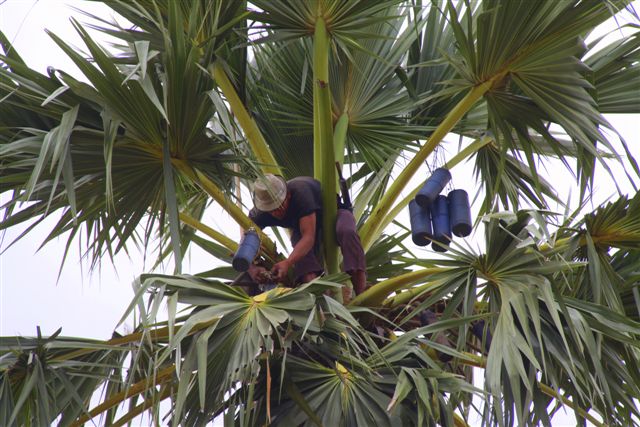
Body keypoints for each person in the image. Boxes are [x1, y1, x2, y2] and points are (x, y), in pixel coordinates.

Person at [247, 174, 367, 295]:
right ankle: (321, 302)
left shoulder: (301, 192)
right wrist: (251, 267)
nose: (277, 212)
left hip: (335, 215)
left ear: (288, 195)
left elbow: (308, 237)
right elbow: (245, 239)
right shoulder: (261, 212)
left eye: (280, 205)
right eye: (272, 209)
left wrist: (287, 263)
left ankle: (362, 294)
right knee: (302, 258)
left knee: (347, 231)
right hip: (301, 225)